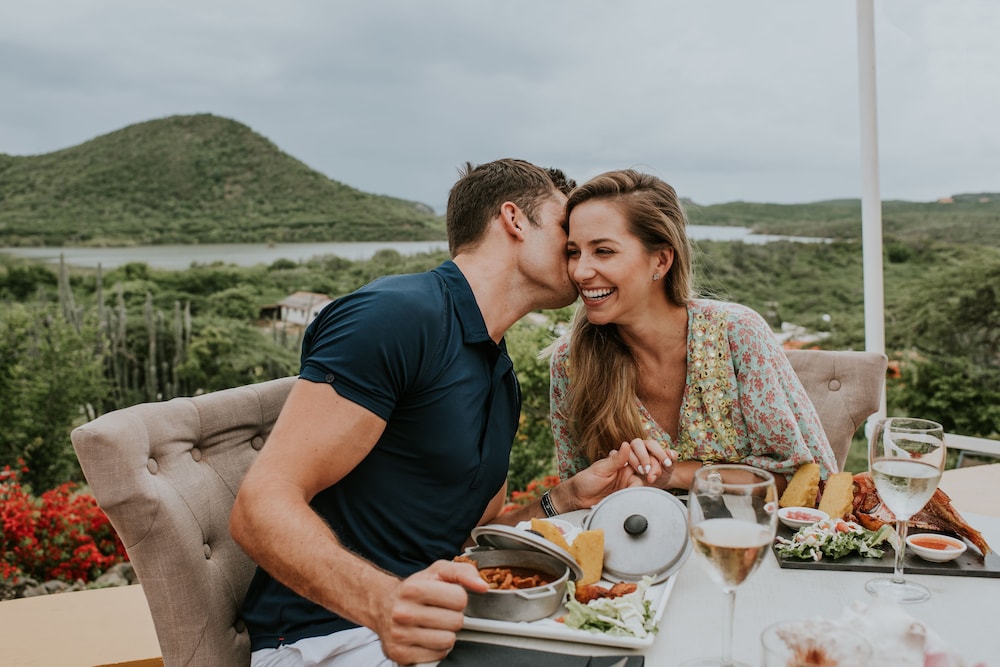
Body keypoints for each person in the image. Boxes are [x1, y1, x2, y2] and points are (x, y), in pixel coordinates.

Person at [230, 159, 647, 667]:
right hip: (326, 640)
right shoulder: (397, 315)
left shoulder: (499, 373)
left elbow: (467, 538)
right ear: (514, 220)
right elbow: (259, 506)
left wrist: (564, 497)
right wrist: (385, 603)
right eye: (567, 231)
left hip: (440, 626)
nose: (578, 255)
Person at [549, 169, 838, 494]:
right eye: (573, 252)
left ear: (660, 261)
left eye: (603, 251)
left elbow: (808, 481)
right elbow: (577, 496)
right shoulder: (571, 362)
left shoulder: (735, 334)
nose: (580, 271)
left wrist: (676, 475)